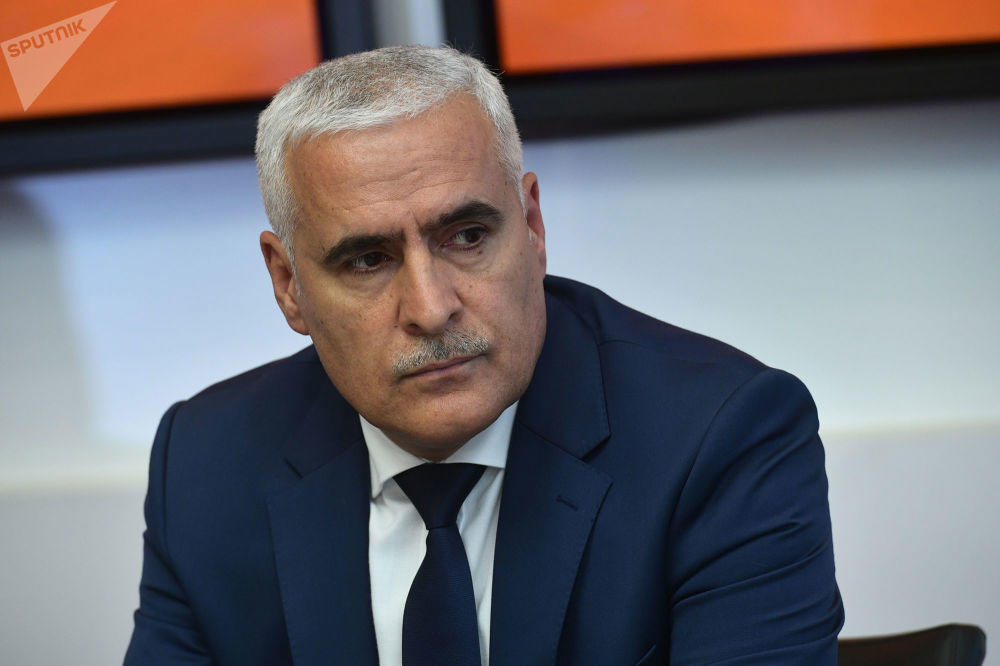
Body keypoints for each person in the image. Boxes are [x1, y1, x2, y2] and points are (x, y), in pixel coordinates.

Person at [125, 45, 844, 665]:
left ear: (532, 226)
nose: (431, 308)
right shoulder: (206, 465)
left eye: (467, 237)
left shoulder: (720, 438)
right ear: (288, 286)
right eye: (368, 260)